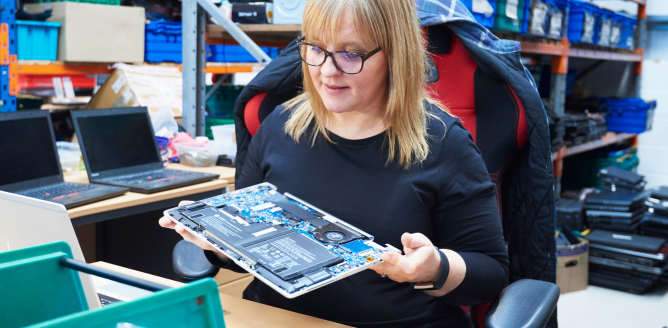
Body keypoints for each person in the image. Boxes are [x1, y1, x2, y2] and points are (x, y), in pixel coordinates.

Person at [160, 0, 508, 326]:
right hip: (277, 319)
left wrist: (433, 268)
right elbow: (252, 248)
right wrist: (218, 243)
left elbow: (490, 273)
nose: (327, 71)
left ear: (396, 55)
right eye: (316, 48)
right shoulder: (279, 126)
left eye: (350, 54)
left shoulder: (444, 143)